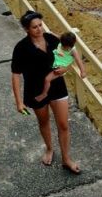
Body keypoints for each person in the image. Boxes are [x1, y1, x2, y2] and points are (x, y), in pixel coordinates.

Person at [11, 11, 81, 174]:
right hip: (35, 90)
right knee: (44, 122)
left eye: (40, 25)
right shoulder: (21, 48)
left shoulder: (52, 38)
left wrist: (66, 68)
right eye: (34, 27)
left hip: (57, 86)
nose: (39, 29)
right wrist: (18, 101)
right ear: (26, 29)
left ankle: (66, 159)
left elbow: (69, 53)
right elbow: (15, 74)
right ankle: (49, 149)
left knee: (63, 125)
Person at [35, 31, 86, 102]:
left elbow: (78, 61)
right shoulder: (62, 41)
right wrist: (50, 33)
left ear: (72, 44)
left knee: (47, 79)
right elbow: (57, 36)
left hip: (60, 66)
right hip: (55, 60)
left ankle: (44, 94)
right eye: (62, 45)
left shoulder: (72, 50)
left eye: (65, 47)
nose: (63, 47)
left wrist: (82, 71)